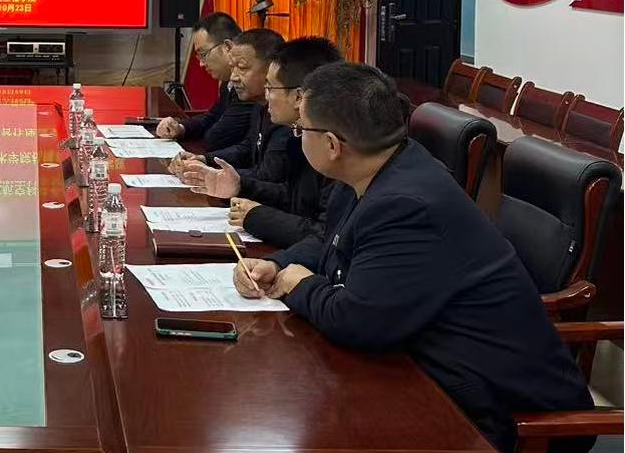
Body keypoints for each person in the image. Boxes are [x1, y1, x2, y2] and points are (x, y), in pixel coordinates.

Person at [233, 63, 593, 453]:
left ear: (333, 145)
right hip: (426, 366)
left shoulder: (405, 205)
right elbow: (329, 241)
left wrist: (299, 284)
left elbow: (356, 320)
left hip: (493, 411)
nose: (297, 135)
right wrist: (277, 264)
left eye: (301, 129)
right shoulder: (376, 169)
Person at [226, 36, 342, 248]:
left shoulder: (336, 145)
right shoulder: (298, 134)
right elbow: (296, 198)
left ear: (298, 97)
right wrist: (239, 185)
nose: (266, 96)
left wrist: (257, 217)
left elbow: (325, 236)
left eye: (270, 88)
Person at [172, 27, 285, 185]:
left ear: (272, 69)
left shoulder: (284, 115)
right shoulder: (260, 104)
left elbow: (269, 176)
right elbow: (247, 148)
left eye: (242, 68)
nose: (233, 77)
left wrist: (214, 175)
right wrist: (204, 160)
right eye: (232, 67)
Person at [155, 12, 255, 149]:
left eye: (203, 54)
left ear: (227, 47)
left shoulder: (249, 84)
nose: (201, 64)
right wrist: (180, 128)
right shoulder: (228, 82)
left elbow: (217, 138)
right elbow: (212, 117)